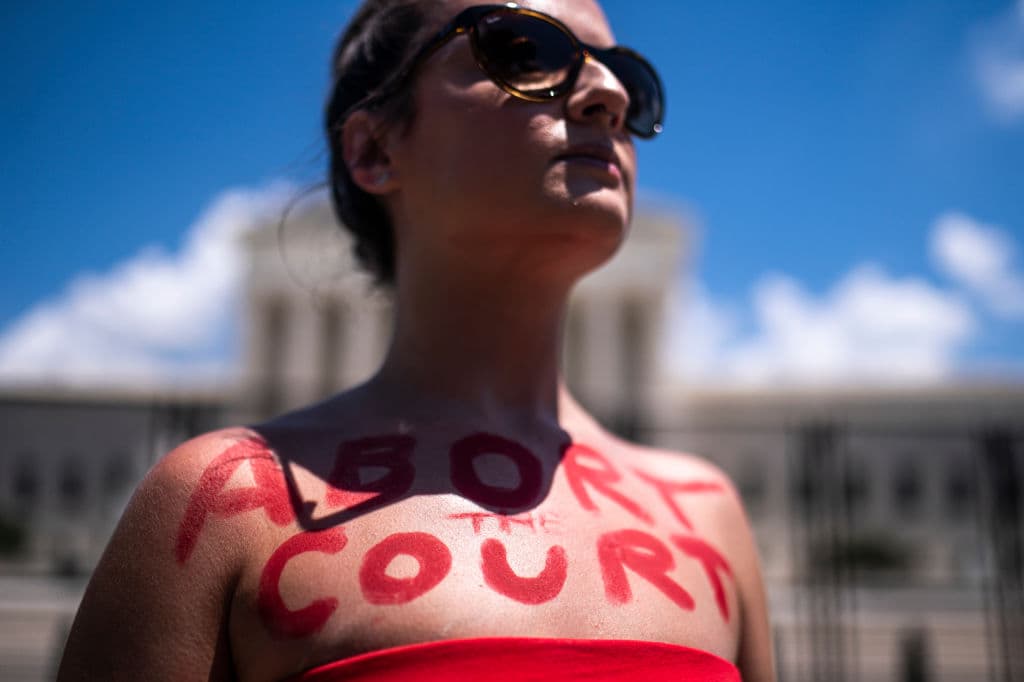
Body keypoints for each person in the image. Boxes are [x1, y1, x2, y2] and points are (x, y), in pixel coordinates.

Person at [58, 0, 775, 679]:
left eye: (632, 79)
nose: (607, 94)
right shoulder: (222, 505)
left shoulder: (708, 513)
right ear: (373, 149)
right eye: (525, 51)